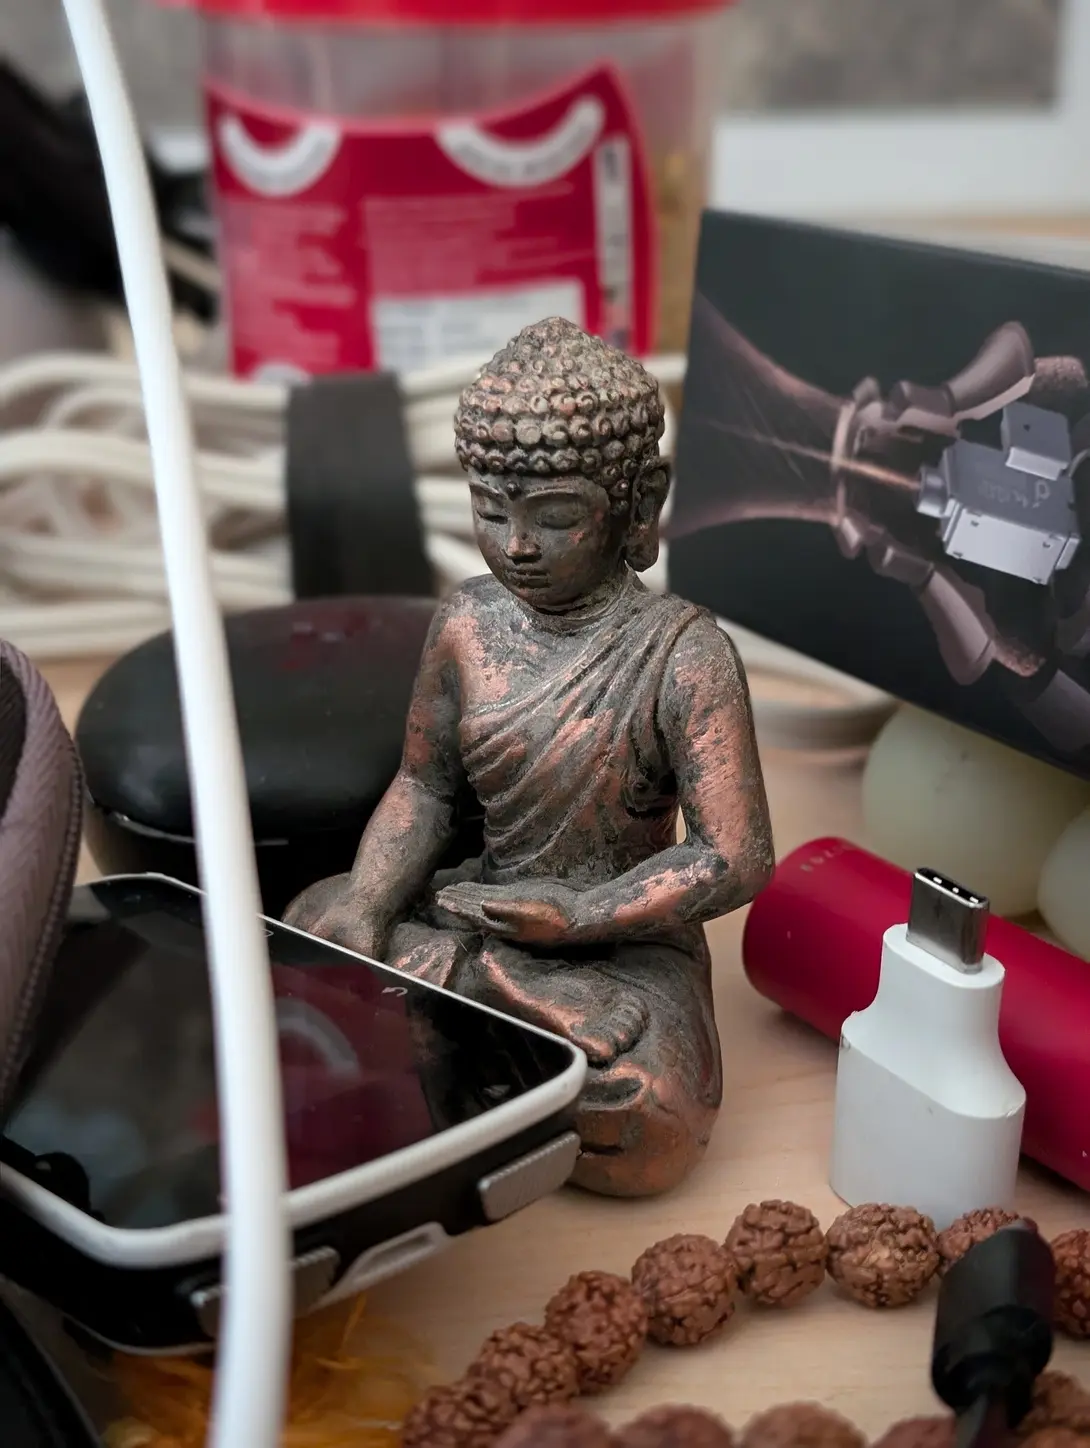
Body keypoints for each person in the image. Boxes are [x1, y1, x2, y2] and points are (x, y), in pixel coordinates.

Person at [284, 317, 774, 1197]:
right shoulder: (467, 622)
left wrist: (583, 915)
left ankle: (474, 1018)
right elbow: (424, 786)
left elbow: (734, 855)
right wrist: (366, 903)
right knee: (311, 923)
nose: (515, 545)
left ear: (637, 500)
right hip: (480, 906)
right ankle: (501, 985)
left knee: (650, 1122)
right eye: (489, 508)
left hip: (626, 941)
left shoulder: (682, 651)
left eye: (553, 517)